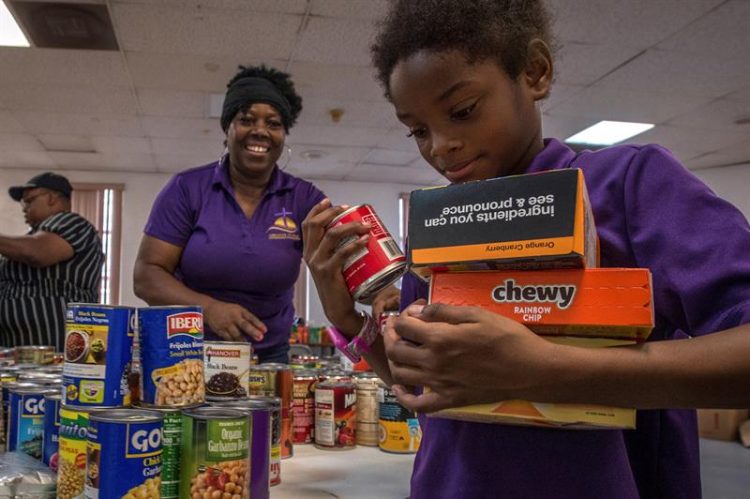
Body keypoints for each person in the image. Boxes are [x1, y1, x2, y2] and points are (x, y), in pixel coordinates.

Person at [302, 1, 750, 498]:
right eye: (419, 130)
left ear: (535, 73)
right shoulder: (438, 228)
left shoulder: (628, 187)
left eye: (463, 111)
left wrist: (546, 371)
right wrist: (349, 320)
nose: (440, 146)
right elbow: (430, 387)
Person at [134, 65, 325, 364]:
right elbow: (146, 276)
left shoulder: (303, 198)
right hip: (189, 352)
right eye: (246, 120)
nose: (260, 130)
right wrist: (208, 308)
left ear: (283, 135)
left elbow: (345, 260)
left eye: (273, 123)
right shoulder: (187, 189)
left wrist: (380, 291)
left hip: (269, 358)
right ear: (228, 128)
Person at [0, 172, 104, 351]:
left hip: (56, 347)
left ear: (52, 198)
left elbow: (37, 253)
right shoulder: (25, 241)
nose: (24, 208)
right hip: (18, 351)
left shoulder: (73, 224)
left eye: (29, 200)